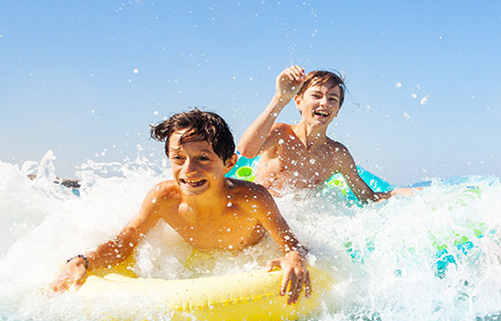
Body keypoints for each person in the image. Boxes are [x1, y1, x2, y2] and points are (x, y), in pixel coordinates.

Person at [51, 109, 311, 302]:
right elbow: (125, 243)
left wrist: (294, 258)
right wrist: (86, 260)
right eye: (178, 158)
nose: (189, 170)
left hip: (249, 257)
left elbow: (293, 246)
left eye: (203, 158)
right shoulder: (165, 198)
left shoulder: (251, 199)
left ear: (229, 163)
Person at [239, 65, 404, 200]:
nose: (324, 103)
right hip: (262, 212)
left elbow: (366, 197)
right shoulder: (281, 134)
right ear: (298, 101)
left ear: (337, 110)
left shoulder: (336, 154)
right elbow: (246, 151)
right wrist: (280, 99)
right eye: (316, 96)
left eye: (332, 99)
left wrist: (398, 194)